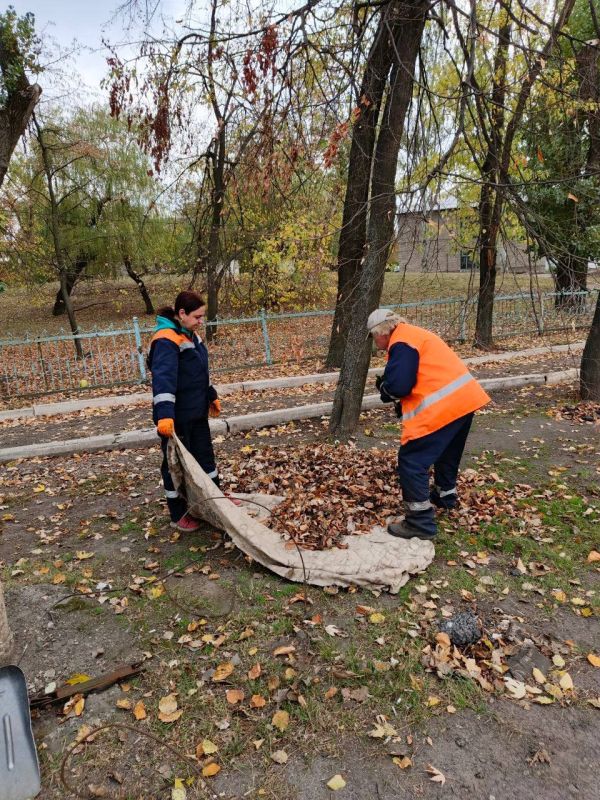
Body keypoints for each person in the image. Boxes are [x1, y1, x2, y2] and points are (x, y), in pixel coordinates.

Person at [367, 308, 490, 540]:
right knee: (447, 453)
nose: (375, 343)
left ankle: (419, 522)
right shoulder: (414, 334)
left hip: (442, 407)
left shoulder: (401, 342)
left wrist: (385, 388)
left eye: (374, 337)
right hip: (464, 400)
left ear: (381, 331)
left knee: (411, 460)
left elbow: (400, 386)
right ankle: (446, 496)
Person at [148, 290, 223, 532]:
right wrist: (165, 417)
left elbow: (199, 373)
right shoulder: (166, 340)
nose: (201, 322)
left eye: (202, 317)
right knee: (175, 466)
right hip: (175, 419)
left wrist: (211, 396)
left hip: (197, 413)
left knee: (204, 458)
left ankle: (214, 502)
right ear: (182, 313)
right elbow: (164, 382)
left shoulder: (192, 336)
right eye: (197, 317)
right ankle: (178, 513)